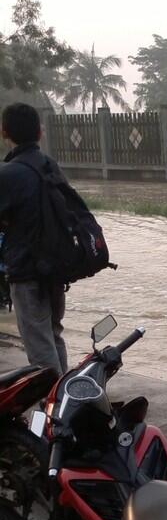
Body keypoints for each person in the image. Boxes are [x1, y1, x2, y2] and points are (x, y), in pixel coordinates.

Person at [0, 103, 69, 375]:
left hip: (27, 271)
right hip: (57, 269)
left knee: (39, 349)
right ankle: (64, 403)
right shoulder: (51, 166)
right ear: (40, 133)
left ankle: (52, 410)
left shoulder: (8, 174)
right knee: (53, 335)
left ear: (4, 132)